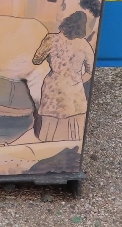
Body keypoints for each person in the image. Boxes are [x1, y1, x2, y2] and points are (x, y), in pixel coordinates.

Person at [31, 11, 95, 143]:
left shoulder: (51, 39)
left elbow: (36, 60)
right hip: (74, 92)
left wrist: (50, 58)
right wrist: (77, 81)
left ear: (66, 23)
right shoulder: (84, 45)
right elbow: (90, 71)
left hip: (53, 88)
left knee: (49, 128)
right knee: (73, 131)